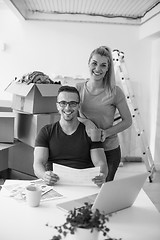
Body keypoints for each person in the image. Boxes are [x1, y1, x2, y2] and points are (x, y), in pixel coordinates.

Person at [76, 46, 132, 182]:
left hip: (109, 149)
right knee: (85, 190)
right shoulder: (78, 88)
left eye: (103, 65)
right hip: (85, 148)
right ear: (89, 63)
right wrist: (87, 122)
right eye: (94, 63)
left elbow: (127, 121)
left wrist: (106, 133)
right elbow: (71, 114)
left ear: (108, 69)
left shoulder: (115, 92)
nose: (98, 69)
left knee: (103, 190)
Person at [33, 85, 108, 187]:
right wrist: (44, 175)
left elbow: (101, 163)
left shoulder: (90, 132)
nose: (67, 108)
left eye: (72, 103)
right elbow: (38, 163)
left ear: (78, 106)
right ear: (57, 106)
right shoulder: (46, 131)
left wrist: (102, 175)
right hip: (55, 185)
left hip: (83, 186)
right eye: (63, 103)